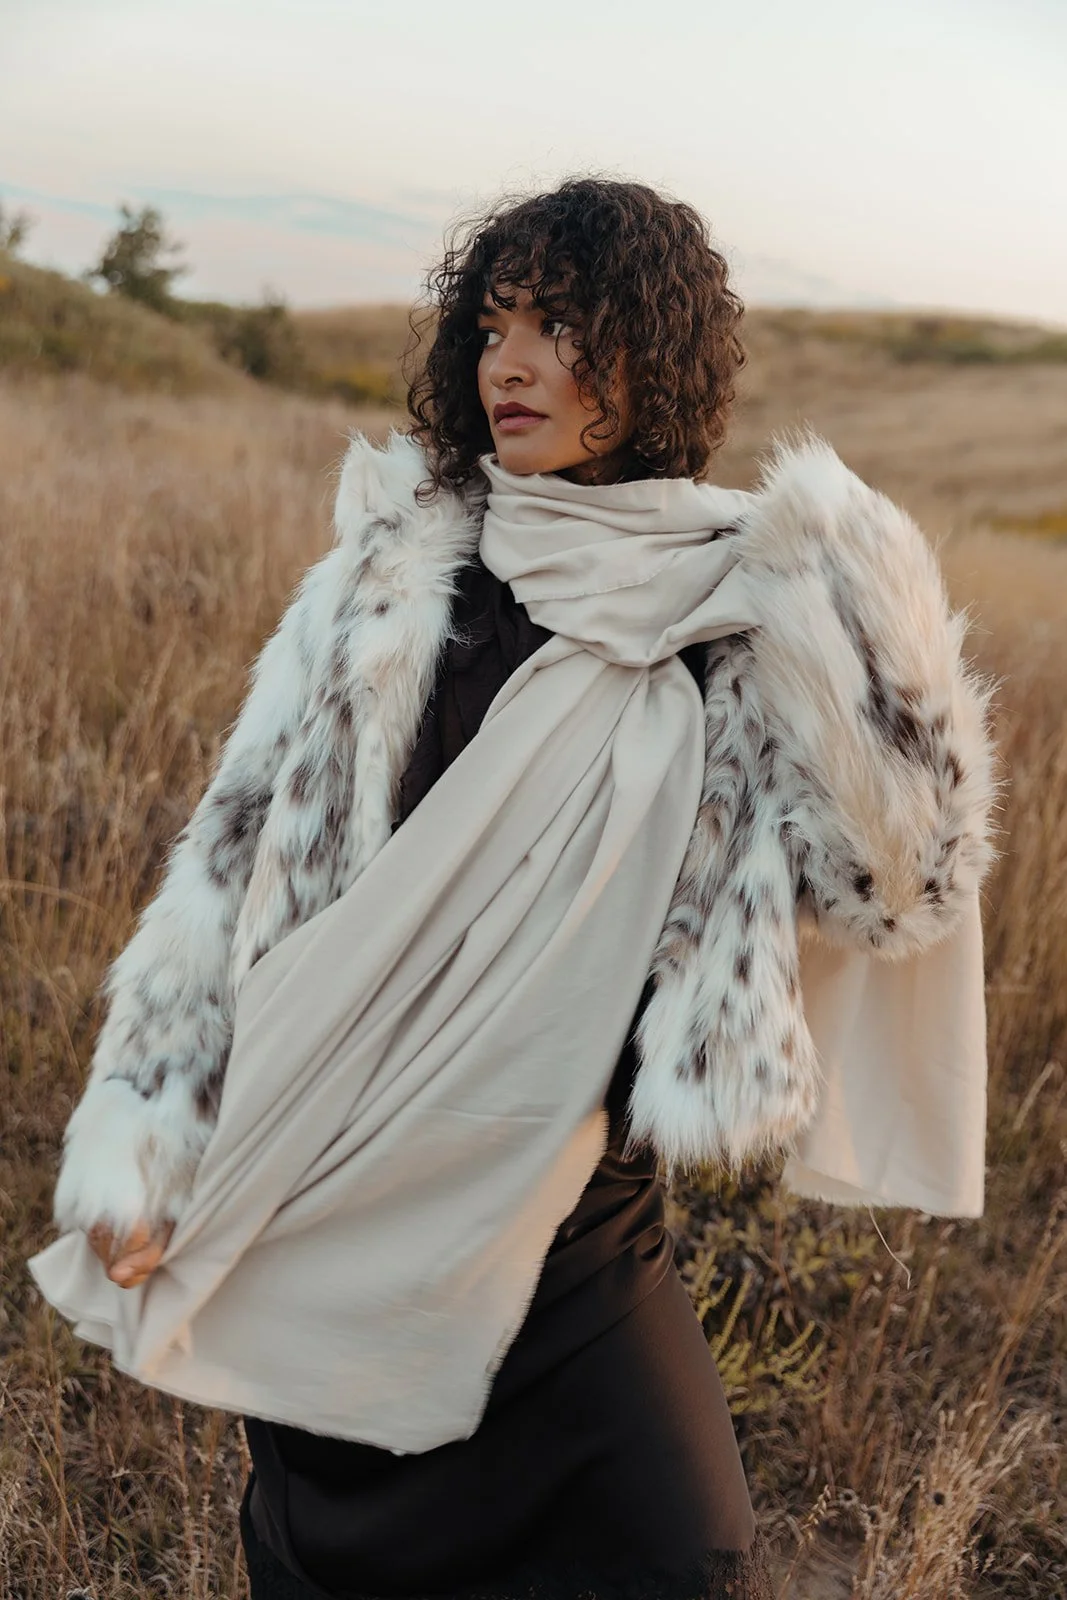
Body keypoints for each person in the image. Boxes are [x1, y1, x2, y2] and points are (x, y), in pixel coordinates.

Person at [43, 176, 995, 1600]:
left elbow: (897, 896)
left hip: (577, 1223)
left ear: (653, 355)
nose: (512, 363)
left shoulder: (742, 612)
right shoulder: (397, 577)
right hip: (336, 1175)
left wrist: (876, 616)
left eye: (561, 325)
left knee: (684, 1557)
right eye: (493, 327)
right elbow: (231, 867)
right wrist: (143, 1140)